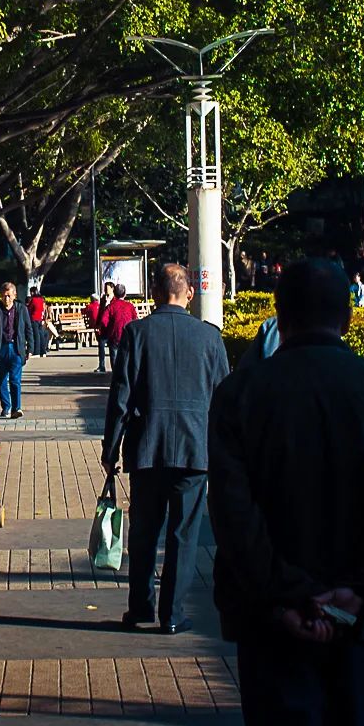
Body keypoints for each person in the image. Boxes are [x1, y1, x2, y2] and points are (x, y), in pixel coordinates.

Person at [208, 259, 364, 726]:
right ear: (348, 318)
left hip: (271, 622)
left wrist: (287, 596)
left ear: (279, 317)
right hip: (363, 620)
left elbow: (233, 514)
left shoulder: (239, 396)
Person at [102, 262, 229, 634]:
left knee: (144, 532)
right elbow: (223, 399)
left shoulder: (137, 334)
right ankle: (172, 614)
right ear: (189, 293)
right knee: (183, 535)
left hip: (147, 448)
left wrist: (111, 449)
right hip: (195, 451)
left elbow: (120, 398)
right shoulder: (210, 338)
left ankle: (140, 608)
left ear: (154, 292)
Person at [0, 280, 34, 418]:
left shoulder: (21, 309)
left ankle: (16, 408)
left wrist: (30, 347)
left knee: (15, 380)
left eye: (9, 296)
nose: (6, 299)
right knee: (0, 380)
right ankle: (6, 406)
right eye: (4, 296)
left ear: (14, 295)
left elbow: (28, 329)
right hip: (1, 348)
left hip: (16, 348)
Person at [97, 282, 138, 372]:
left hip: (114, 336)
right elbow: (135, 320)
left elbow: (104, 321)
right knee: (128, 357)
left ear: (114, 293)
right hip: (128, 336)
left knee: (114, 357)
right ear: (125, 294)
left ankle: (116, 375)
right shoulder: (130, 306)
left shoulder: (110, 307)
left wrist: (108, 330)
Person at [27, 288, 49, 356]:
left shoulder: (33, 300)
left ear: (33, 292)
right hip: (40, 318)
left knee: (36, 336)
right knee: (41, 335)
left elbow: (30, 309)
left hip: (33, 318)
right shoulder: (41, 299)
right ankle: (43, 351)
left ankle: (37, 352)